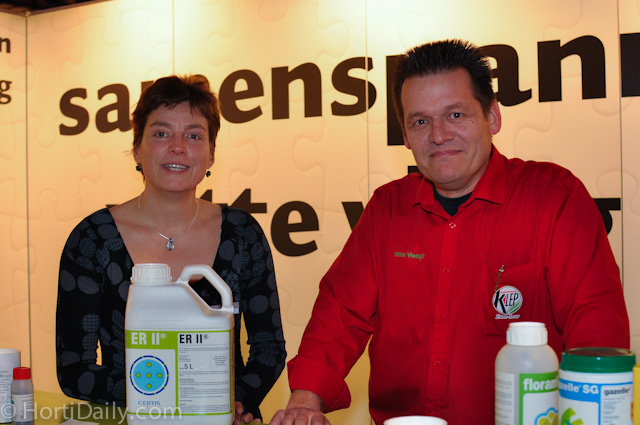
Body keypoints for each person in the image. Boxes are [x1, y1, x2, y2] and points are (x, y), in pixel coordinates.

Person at [270, 39, 630, 425]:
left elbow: (595, 325)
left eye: (455, 115)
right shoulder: (386, 209)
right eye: (420, 121)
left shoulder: (554, 197)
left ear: (492, 116)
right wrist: (304, 402)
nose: (439, 135)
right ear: (405, 136)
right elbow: (340, 314)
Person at [56, 74, 286, 425]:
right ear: (137, 148)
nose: (178, 147)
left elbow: (269, 349)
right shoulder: (92, 240)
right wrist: (172, 399)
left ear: (211, 155)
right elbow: (74, 369)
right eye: (161, 133)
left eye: (194, 136)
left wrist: (234, 402)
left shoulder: (242, 234)